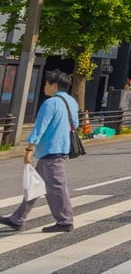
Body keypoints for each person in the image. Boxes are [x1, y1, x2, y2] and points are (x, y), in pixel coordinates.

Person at [0, 70, 80, 233]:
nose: (45, 87)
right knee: (36, 185)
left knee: (56, 187)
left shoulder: (50, 103)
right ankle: (17, 218)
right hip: (61, 148)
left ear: (55, 85)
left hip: (51, 150)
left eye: (47, 84)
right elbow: (75, 124)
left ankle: (65, 220)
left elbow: (39, 127)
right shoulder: (72, 102)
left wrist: (29, 148)